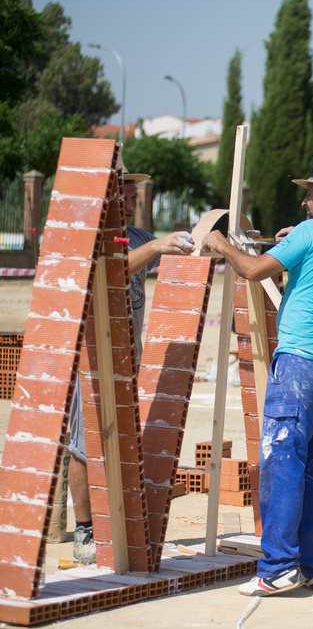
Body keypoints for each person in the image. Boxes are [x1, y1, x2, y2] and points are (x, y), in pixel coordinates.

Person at [202, 155, 313, 596]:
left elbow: (254, 269)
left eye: (311, 194)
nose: (303, 201)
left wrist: (221, 244)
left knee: (283, 462)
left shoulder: (312, 233)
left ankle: (278, 567)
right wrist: (293, 243)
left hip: (301, 363)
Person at [68, 168, 195, 564]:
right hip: (92, 358)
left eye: (131, 198)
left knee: (121, 440)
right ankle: (84, 531)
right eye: (120, 197)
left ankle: (114, 523)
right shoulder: (90, 238)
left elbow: (161, 254)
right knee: (83, 444)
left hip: (127, 359)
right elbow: (114, 269)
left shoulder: (139, 237)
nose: (127, 204)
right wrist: (158, 244)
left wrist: (203, 241)